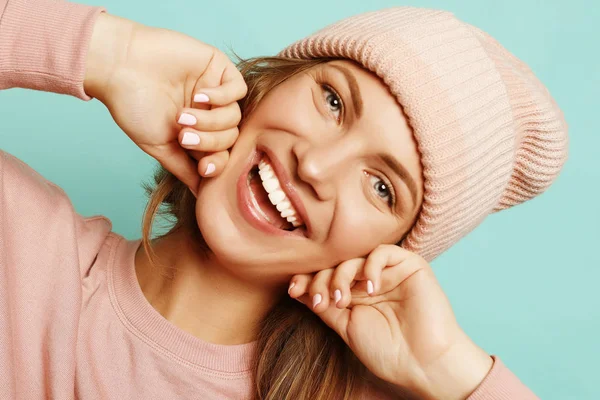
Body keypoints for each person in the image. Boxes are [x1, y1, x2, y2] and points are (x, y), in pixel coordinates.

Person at [0, 0, 568, 399]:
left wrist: (455, 375)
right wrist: (104, 53)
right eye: (333, 102)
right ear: (270, 85)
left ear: (389, 252)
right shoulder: (20, 241)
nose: (315, 165)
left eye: (381, 187)